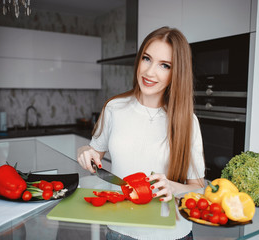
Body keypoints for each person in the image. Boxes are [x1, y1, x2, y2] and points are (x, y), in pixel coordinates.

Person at [77, 26, 205, 240]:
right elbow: (95, 153)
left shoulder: (187, 122)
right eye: (147, 59)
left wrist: (172, 187)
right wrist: (84, 151)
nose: (149, 72)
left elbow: (198, 187)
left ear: (176, 73)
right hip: (120, 231)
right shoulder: (114, 108)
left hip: (172, 234)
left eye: (164, 65)